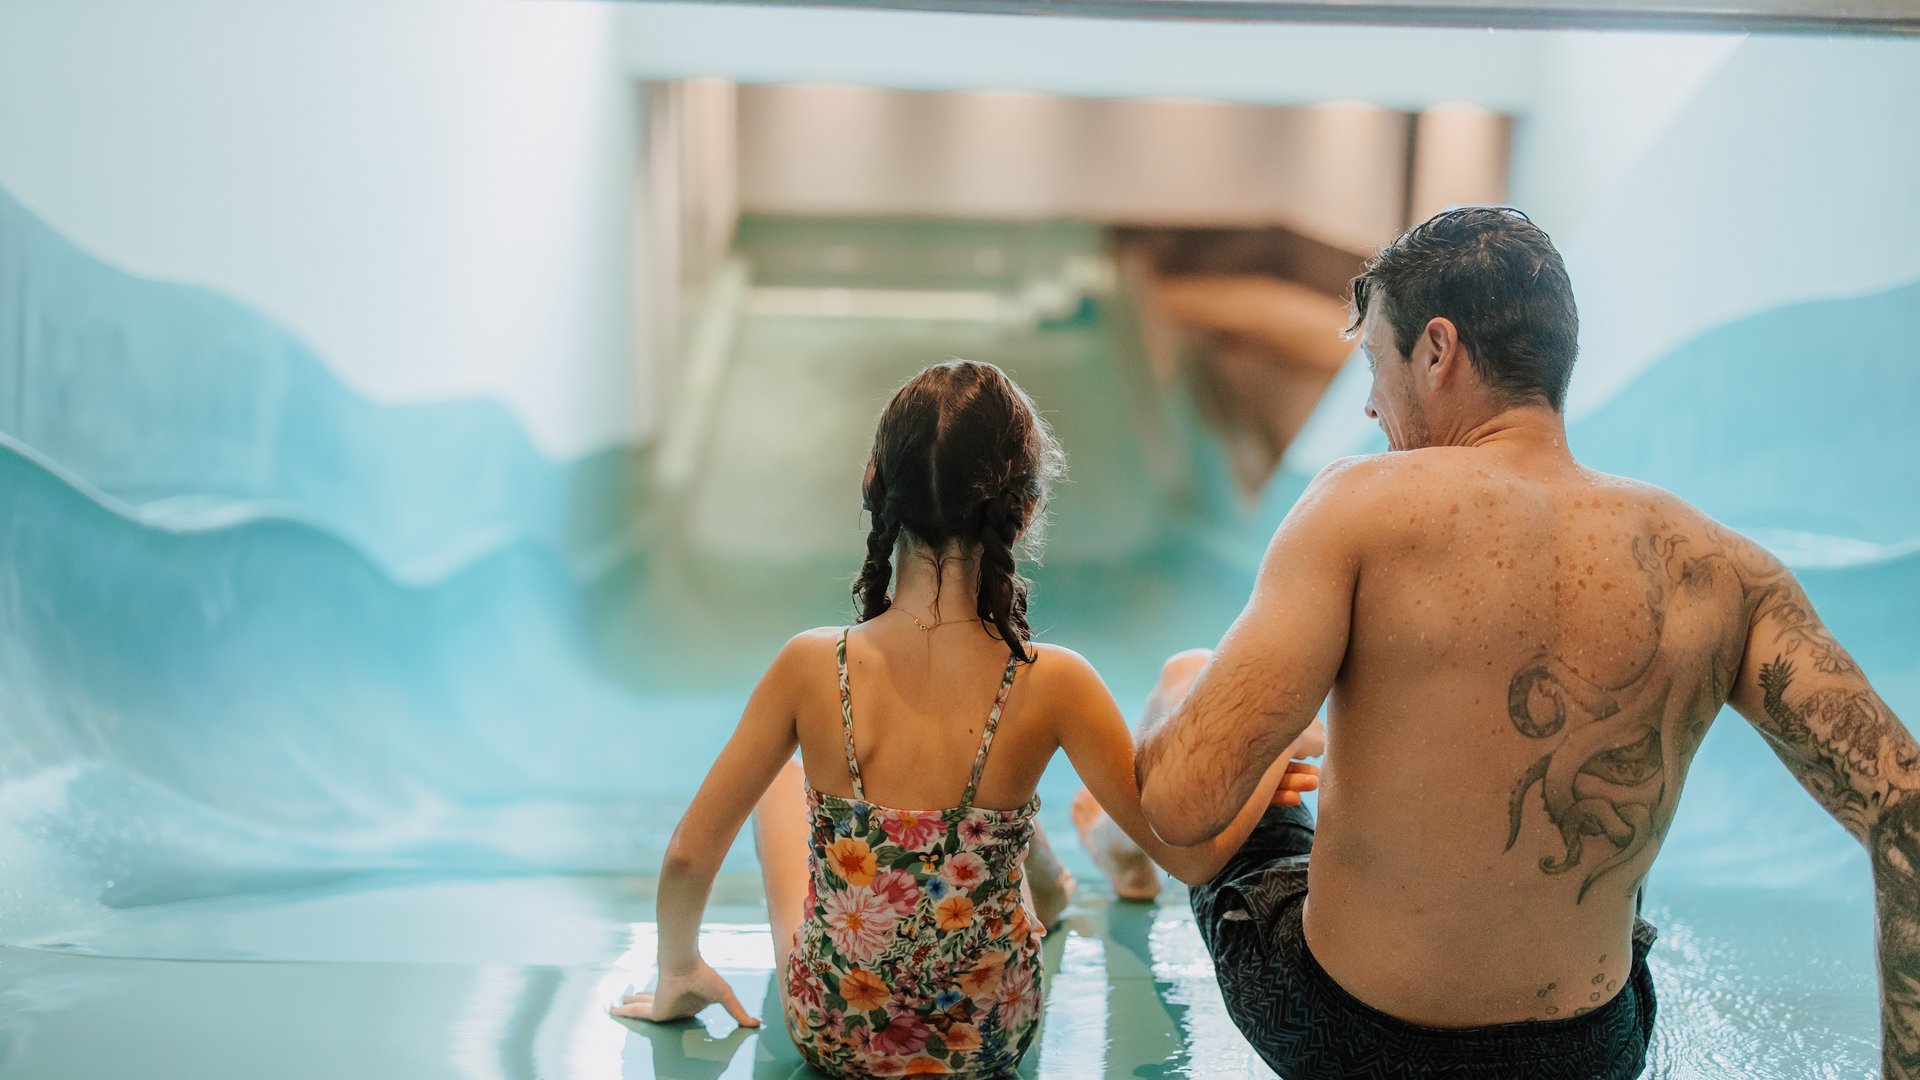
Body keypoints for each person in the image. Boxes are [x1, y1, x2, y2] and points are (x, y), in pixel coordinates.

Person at [1130, 207, 1919, 1080]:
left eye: (1374, 364)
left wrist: (1185, 724)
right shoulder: (1721, 567)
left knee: (1188, 696)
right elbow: (1906, 805)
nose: (1368, 402)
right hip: (1589, 1052)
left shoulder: (1358, 503)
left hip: (1354, 1041)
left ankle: (1129, 791)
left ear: (1437, 351)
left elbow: (1183, 806)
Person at [610, 359, 1322, 1078]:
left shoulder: (808, 665)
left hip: (833, 1032)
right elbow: (1190, 855)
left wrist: (679, 971)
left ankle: (1025, 891)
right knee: (985, 812)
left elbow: (686, 855)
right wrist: (1264, 760)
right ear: (1026, 509)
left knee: (778, 786)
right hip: (987, 1038)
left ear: (873, 489)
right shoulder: (1055, 682)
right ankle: (1050, 891)